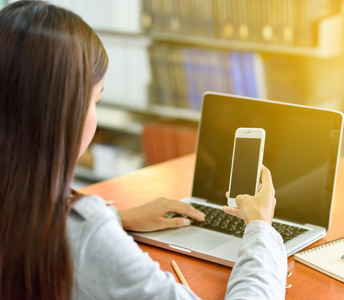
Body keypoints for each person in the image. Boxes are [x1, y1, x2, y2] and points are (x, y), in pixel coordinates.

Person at [0, 1, 287, 299]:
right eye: (94, 101)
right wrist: (261, 227)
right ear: (65, 110)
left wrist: (117, 217)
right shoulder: (80, 234)